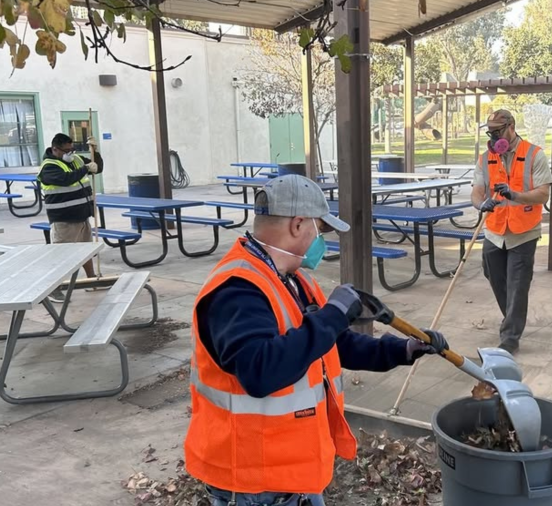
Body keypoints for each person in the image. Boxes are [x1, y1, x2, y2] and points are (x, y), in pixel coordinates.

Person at [184, 175, 450, 506]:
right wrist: (333, 314)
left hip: (294, 470)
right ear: (297, 225)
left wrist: (402, 349)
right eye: (319, 230)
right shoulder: (237, 290)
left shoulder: (291, 279)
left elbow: (330, 345)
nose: (319, 240)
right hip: (255, 483)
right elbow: (260, 371)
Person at [471, 109, 552, 354]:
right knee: (494, 276)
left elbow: (543, 193)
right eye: (490, 132)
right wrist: (480, 204)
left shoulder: (534, 154)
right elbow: (477, 190)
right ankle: (513, 317)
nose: (494, 137)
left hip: (523, 231)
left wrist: (515, 195)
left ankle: (510, 336)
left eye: (497, 131)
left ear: (511, 127)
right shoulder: (486, 158)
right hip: (494, 231)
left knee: (517, 284)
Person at [38, 133, 103, 297]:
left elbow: (97, 167)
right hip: (63, 218)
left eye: (72, 149)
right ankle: (54, 289)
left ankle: (91, 279)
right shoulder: (49, 166)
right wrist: (86, 169)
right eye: (66, 150)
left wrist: (95, 151)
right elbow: (66, 179)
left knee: (86, 251)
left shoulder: (76, 160)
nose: (70, 153)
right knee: (61, 256)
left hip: (82, 215)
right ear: (55, 149)